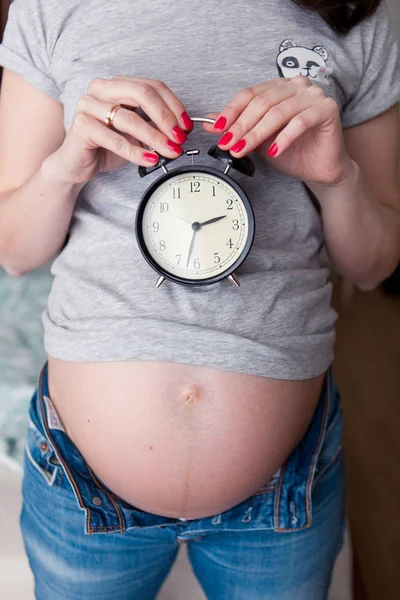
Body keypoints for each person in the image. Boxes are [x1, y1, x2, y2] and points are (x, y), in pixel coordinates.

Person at [0, 0, 399, 598]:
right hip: (81, 484)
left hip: (283, 488)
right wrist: (65, 169)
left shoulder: (361, 17)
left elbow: (373, 266)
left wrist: (336, 178)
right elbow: (14, 251)